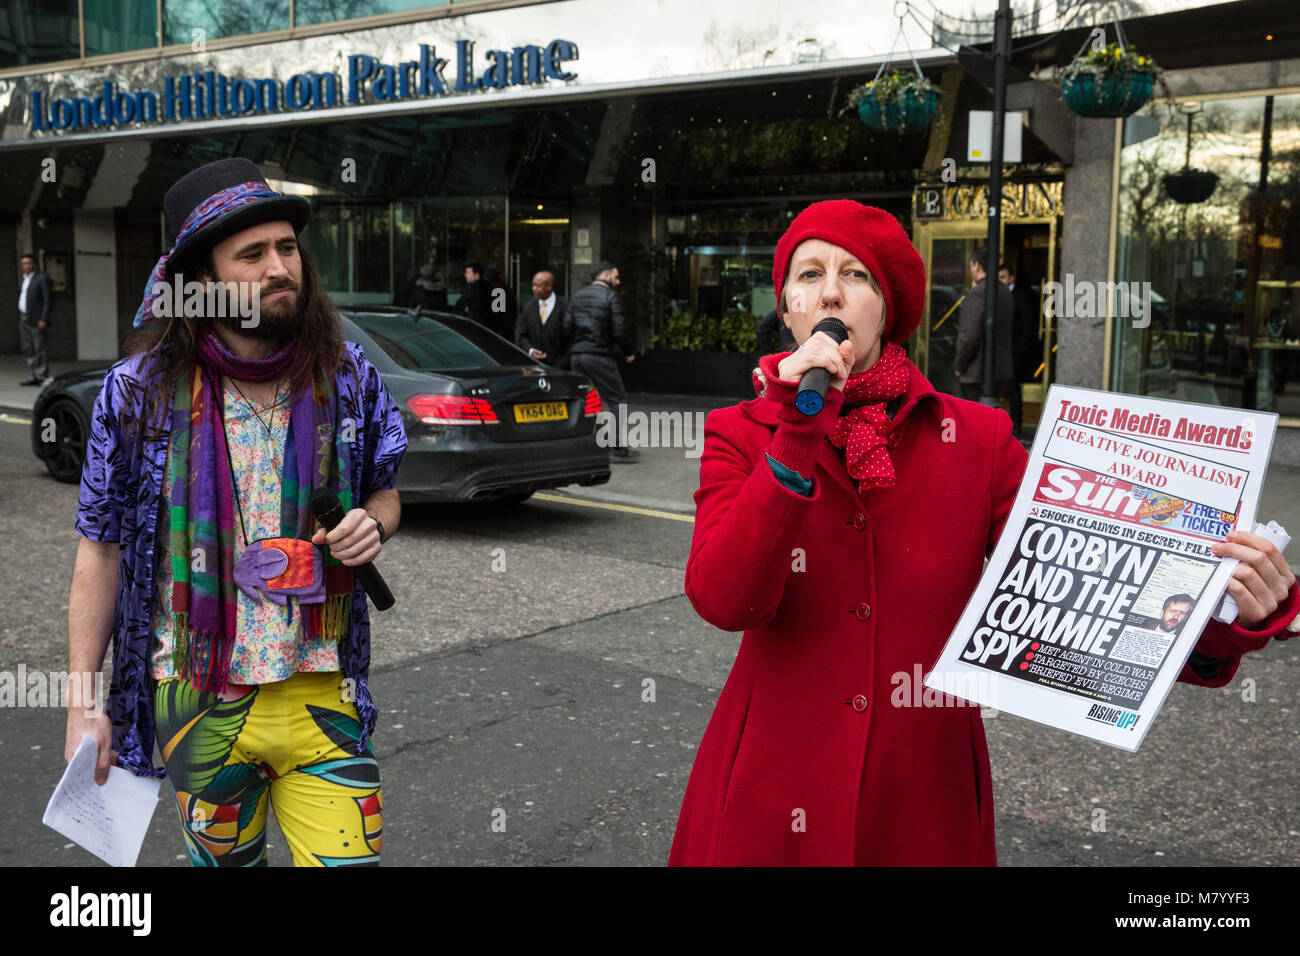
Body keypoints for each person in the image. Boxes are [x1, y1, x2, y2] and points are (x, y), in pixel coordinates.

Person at [668, 199, 1300, 867]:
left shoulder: (978, 439)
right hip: (772, 785)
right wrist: (797, 435)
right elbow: (726, 599)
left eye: (856, 275)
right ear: (788, 304)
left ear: (890, 309)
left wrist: (1227, 613)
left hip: (922, 797)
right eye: (810, 273)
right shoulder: (739, 433)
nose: (830, 290)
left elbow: (1086, 583)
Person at [65, 157, 408, 867]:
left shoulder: (347, 375)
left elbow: (386, 490)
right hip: (196, 702)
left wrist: (373, 522)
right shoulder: (138, 395)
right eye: (251, 254)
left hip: (323, 697)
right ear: (203, 281)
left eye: (287, 248)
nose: (280, 267)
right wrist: (80, 705)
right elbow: (99, 550)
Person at [564, 262, 638, 462]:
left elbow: (566, 327)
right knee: (617, 399)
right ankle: (617, 446)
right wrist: (628, 352)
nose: (618, 281)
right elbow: (620, 328)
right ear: (605, 274)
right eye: (616, 276)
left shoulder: (577, 296)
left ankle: (579, 443)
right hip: (599, 355)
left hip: (577, 355)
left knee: (581, 400)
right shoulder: (610, 297)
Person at [955, 247, 1016, 430]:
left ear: (976, 265)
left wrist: (960, 365)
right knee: (989, 422)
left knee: (974, 424)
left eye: (971, 265)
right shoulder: (1004, 291)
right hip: (999, 367)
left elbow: (969, 336)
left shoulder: (979, 293)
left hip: (976, 371)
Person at [999, 262, 1039, 436]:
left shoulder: (1020, 296)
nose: (1001, 281)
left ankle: (1017, 426)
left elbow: (1027, 324)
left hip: (1014, 351)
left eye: (1004, 277)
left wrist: (1021, 348)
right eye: (998, 277)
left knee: (1013, 388)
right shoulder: (997, 296)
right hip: (1000, 350)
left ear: (1011, 278)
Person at [516, 269, 570, 369]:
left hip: (560, 368)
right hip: (534, 367)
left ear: (549, 287)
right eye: (532, 285)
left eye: (538, 286)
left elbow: (570, 338)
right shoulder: (528, 308)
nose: (533, 288)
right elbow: (522, 335)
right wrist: (530, 350)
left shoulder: (565, 307)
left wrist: (563, 363)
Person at [17, 252, 54, 385]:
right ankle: (33, 375)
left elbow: (48, 300)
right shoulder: (24, 279)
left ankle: (41, 376)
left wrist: (44, 318)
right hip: (24, 318)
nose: (26, 266)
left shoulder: (42, 278)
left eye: (29, 263)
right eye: (24, 263)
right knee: (28, 347)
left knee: (40, 347)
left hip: (37, 319)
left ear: (34, 264)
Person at [459, 261, 494, 330]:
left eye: (468, 272)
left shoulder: (476, 289)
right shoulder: (488, 288)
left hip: (475, 327)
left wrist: (468, 308)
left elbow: (461, 305)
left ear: (477, 275)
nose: (465, 275)